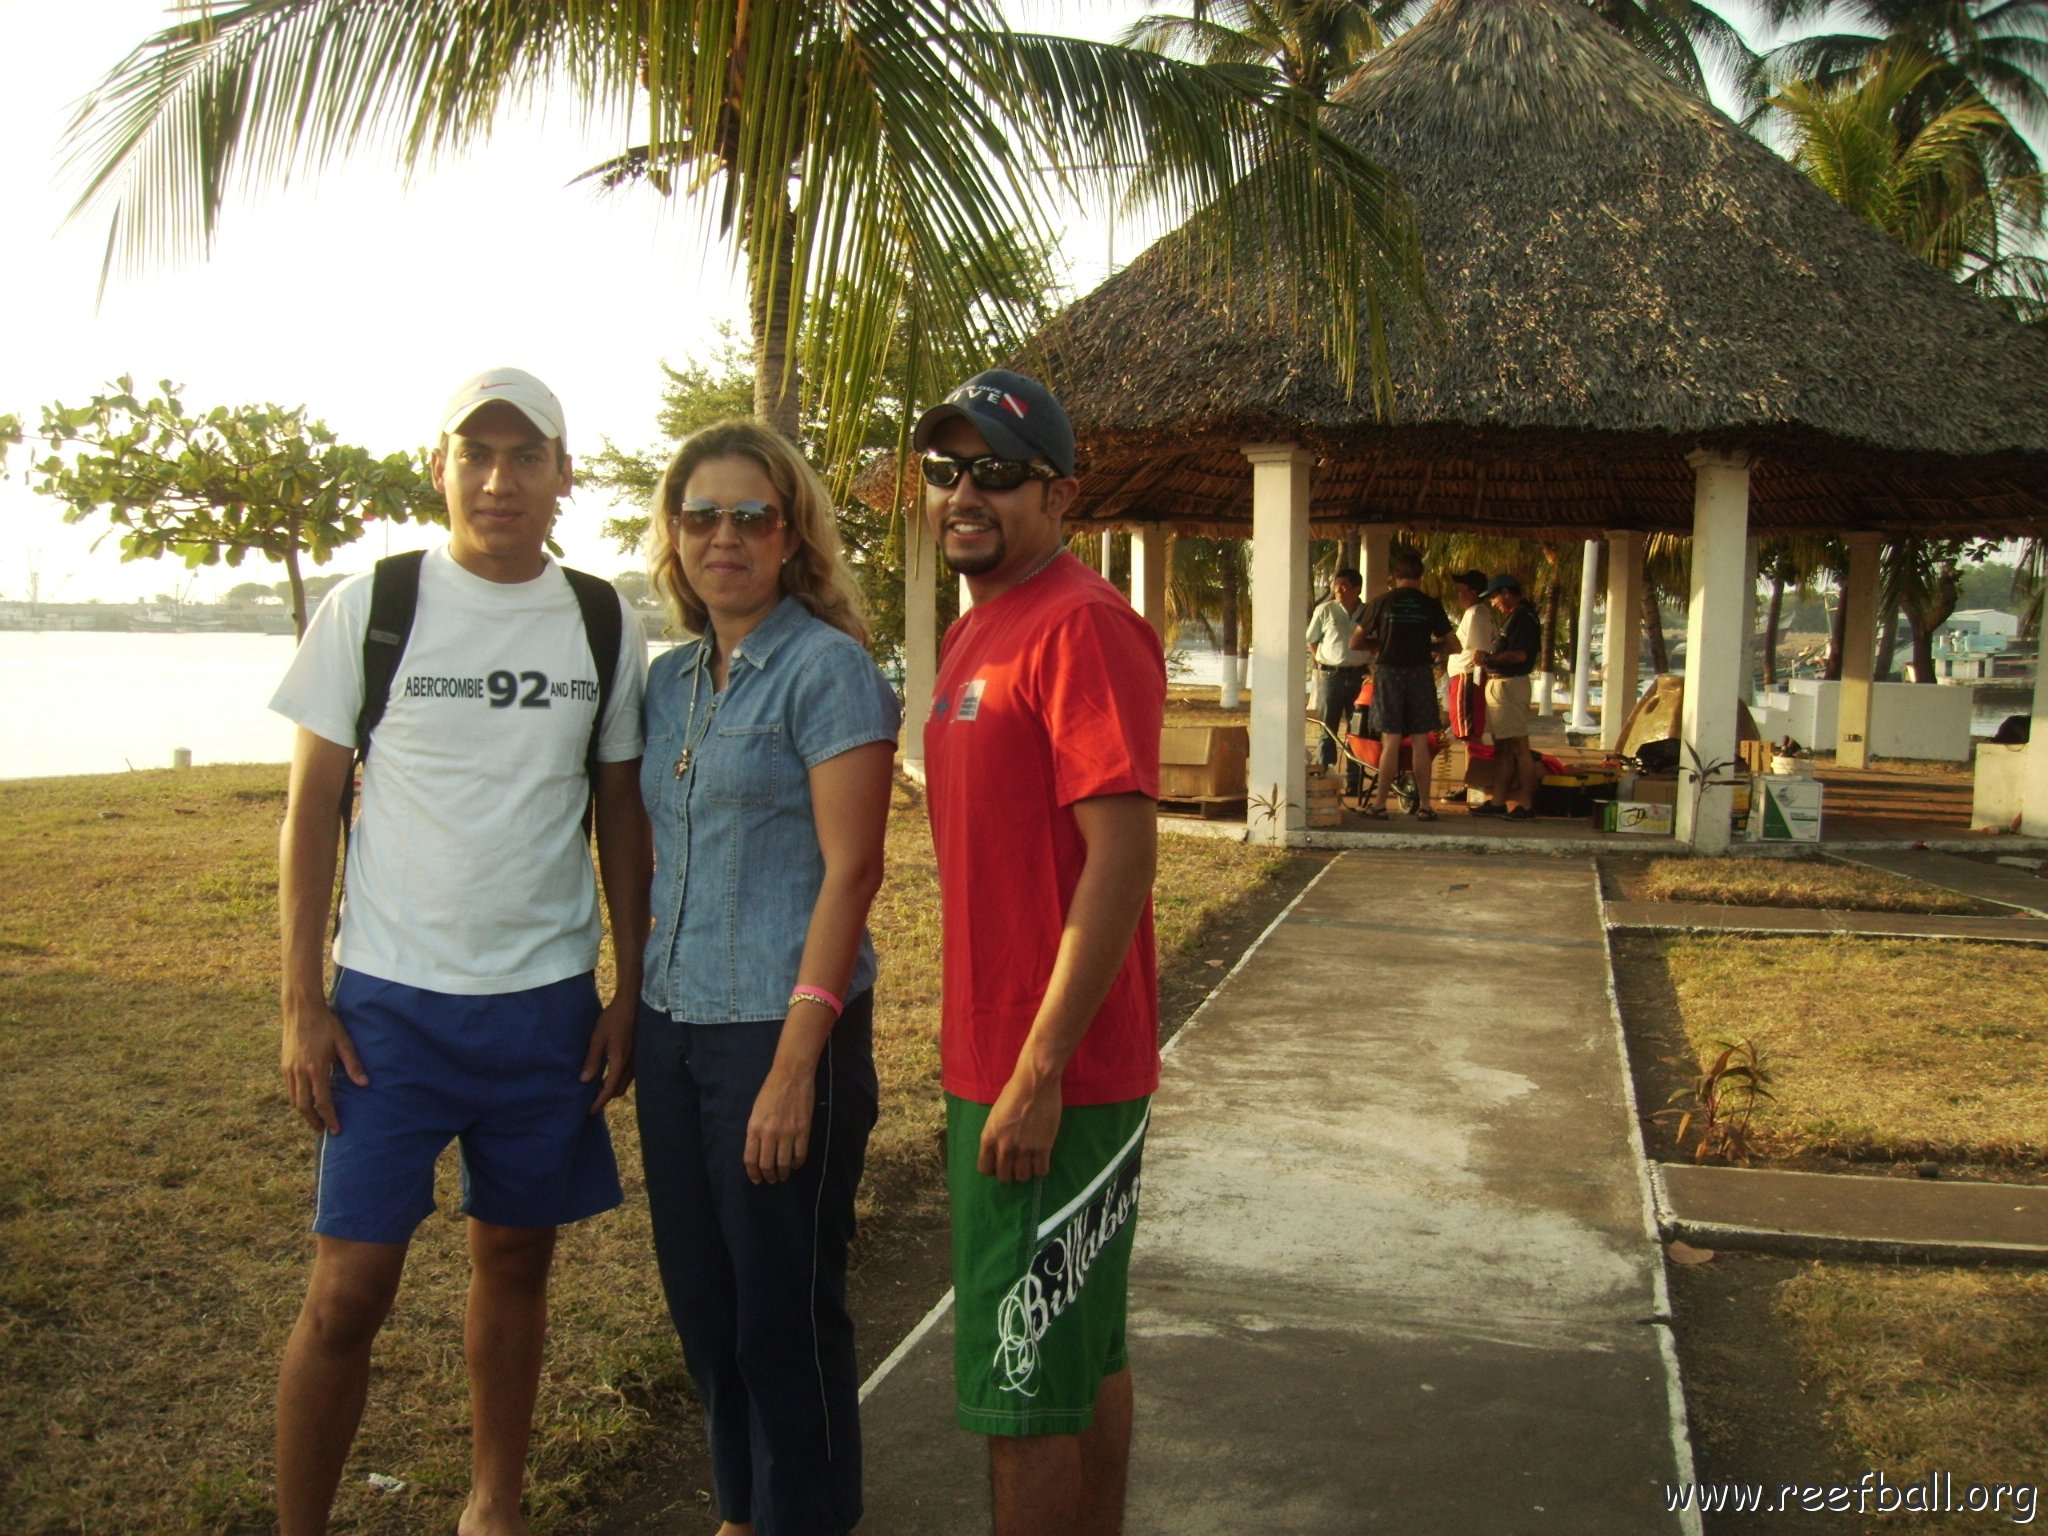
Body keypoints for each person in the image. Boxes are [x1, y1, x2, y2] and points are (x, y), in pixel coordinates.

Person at [269, 367, 650, 1536]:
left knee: (518, 1259)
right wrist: (300, 1001)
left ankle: (493, 1507)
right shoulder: (372, 604)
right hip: (388, 1011)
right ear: (438, 467)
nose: (497, 480)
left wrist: (628, 989)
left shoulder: (600, 617)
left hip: (542, 1009)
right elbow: (312, 806)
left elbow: (618, 815)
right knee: (347, 1292)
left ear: (561, 476)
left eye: (524, 455)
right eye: (473, 455)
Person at [635, 420, 899, 1536]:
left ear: (790, 536)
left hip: (781, 1034)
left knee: (783, 1318)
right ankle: (741, 1515)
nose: (724, 537)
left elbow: (853, 875)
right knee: (704, 1308)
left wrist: (794, 1066)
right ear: (674, 536)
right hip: (670, 1026)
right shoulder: (668, 684)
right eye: (701, 516)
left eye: (751, 516)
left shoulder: (826, 670)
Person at [913, 369, 1163, 1536]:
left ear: (1058, 494)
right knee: (1080, 1350)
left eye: (996, 473)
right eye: (945, 471)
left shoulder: (1078, 625)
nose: (965, 492)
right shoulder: (980, 629)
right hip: (1005, 1059)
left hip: (1044, 1079)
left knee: (1022, 1386)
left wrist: (1038, 1070)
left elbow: (1119, 857)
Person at [1349, 546, 1455, 820]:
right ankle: (1425, 807)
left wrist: (1381, 644)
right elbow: (1453, 645)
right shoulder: (1430, 604)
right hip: (1420, 673)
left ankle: (1381, 804)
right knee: (1421, 740)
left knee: (1391, 740)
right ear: (1421, 575)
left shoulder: (1382, 602)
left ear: (1394, 576)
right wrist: (1429, 645)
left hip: (1389, 673)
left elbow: (1355, 642)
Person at [1473, 573, 1543, 820]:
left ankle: (1525, 804)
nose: (1493, 603)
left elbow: (1520, 655)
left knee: (1518, 746)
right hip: (1500, 686)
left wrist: (1488, 659)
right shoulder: (1514, 618)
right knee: (1502, 746)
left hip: (1510, 687)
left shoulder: (1524, 619)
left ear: (1505, 592)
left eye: (1494, 597)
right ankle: (1499, 800)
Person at [1304, 567, 1370, 795]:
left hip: (1359, 675)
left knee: (1357, 729)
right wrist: (1321, 661)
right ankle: (1322, 775)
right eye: (1336, 585)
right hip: (1330, 675)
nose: (1338, 590)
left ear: (1357, 589)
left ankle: (1354, 780)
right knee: (1327, 727)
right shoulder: (1325, 610)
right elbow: (1311, 640)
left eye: (1344, 586)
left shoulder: (1368, 612)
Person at [1441, 569, 1495, 803]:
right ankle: (1471, 781)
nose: (1458, 595)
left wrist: (1473, 682)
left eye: (1462, 590)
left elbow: (1479, 652)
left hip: (1468, 677)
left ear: (1473, 592)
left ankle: (1474, 782)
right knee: (1466, 735)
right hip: (1463, 677)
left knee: (1470, 734)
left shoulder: (1477, 614)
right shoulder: (1472, 613)